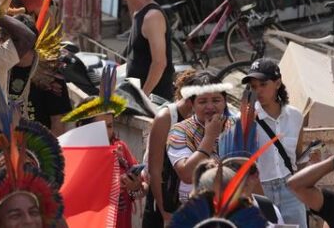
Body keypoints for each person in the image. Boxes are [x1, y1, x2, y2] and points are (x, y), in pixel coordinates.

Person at [61, 63, 146, 228]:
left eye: (110, 125)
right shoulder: (70, 155)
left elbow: (141, 190)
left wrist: (134, 186)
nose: (107, 131)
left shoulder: (120, 149)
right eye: (100, 126)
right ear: (83, 126)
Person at [241, 58, 306, 227]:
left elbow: (298, 157)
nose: (258, 91)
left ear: (277, 83)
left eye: (263, 84)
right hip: (259, 189)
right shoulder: (246, 120)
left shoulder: (295, 116)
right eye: (254, 87)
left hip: (291, 188)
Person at [166, 71, 233, 204]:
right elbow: (187, 175)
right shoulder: (180, 131)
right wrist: (210, 137)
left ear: (225, 102)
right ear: (192, 104)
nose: (210, 107)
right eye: (202, 101)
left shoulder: (236, 127)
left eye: (216, 100)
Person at [144, 69, 195, 228]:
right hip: (163, 201)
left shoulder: (209, 119)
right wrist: (165, 212)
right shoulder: (167, 117)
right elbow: (155, 170)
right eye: (203, 100)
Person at [121, 0, 174, 99]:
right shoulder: (138, 13)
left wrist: (143, 96)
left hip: (155, 99)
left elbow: (159, 63)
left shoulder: (152, 16)